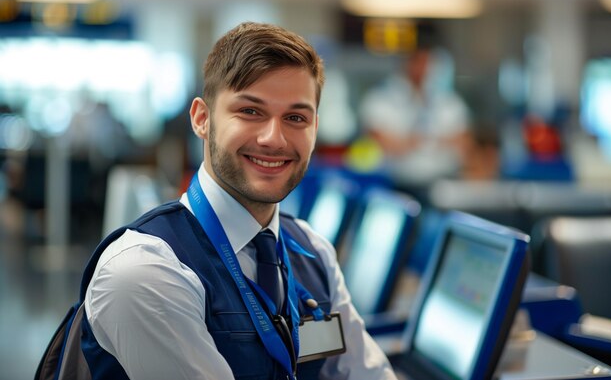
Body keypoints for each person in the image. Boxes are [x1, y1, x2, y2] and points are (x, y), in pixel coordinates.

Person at [82, 22, 397, 380]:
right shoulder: (144, 271)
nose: (273, 138)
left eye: (295, 117)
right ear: (202, 119)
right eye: (250, 111)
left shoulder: (313, 251)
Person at [359, 46, 471, 191]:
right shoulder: (380, 99)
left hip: (442, 183)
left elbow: (464, 143)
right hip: (395, 184)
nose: (422, 68)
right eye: (417, 61)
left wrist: (410, 142)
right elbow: (380, 142)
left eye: (427, 62)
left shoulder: (450, 102)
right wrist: (436, 141)